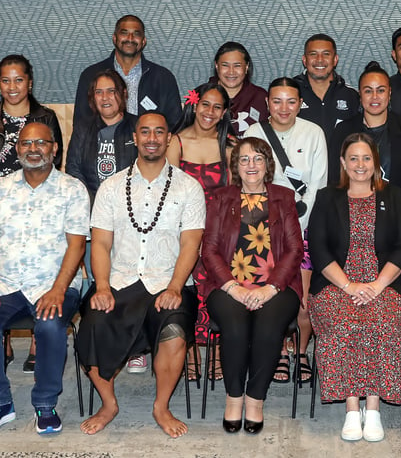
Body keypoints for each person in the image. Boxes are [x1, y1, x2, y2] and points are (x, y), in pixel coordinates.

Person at [76, 112, 205, 438]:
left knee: (175, 328)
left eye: (158, 132)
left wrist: (176, 286)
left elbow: (191, 244)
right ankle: (108, 404)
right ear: (134, 138)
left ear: (168, 139)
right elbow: (101, 244)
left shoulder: (189, 188)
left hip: (169, 281)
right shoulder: (111, 187)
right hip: (119, 281)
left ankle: (161, 406)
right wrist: (101, 287)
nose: (151, 138)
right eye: (144, 132)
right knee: (92, 322)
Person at [308, 133, 401, 442]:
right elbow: (318, 250)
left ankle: (373, 410)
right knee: (344, 323)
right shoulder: (327, 197)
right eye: (353, 158)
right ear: (343, 163)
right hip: (337, 283)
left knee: (384, 322)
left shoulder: (394, 196)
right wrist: (349, 285)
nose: (360, 165)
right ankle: (351, 409)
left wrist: (376, 285)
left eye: (366, 158)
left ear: (376, 162)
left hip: (387, 283)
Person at [201, 137, 303, 434]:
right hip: (228, 285)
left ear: (268, 164)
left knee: (269, 327)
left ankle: (255, 398)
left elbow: (295, 250)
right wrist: (235, 288)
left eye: (258, 158)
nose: (251, 165)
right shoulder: (221, 198)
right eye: (244, 159)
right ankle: (234, 397)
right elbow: (209, 250)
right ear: (236, 166)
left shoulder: (283, 197)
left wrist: (269, 288)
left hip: (277, 286)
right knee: (234, 326)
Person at [0, 122, 89, 434]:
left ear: (54, 148)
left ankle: (45, 403)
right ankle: (1, 400)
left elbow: (77, 245)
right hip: (7, 282)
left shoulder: (72, 189)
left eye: (41, 142)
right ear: (17, 149)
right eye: (26, 143)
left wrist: (58, 289)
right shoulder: (2, 188)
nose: (33, 148)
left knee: (50, 324)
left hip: (55, 282)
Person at [245, 77, 327, 383]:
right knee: (271, 293)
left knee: (305, 297)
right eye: (276, 101)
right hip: (261, 231)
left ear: (300, 104)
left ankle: (302, 351)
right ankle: (279, 350)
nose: (284, 108)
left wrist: (302, 227)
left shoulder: (314, 132)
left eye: (291, 101)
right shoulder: (254, 133)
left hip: (304, 228)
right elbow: (248, 182)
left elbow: (319, 184)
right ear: (267, 103)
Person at [167, 82, 236, 379]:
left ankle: (219, 351)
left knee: (219, 288)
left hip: (220, 231)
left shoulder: (230, 145)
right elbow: (167, 193)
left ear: (223, 113)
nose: (210, 112)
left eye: (217, 107)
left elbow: (235, 194)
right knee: (188, 288)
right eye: (205, 104)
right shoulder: (176, 142)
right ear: (194, 105)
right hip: (184, 229)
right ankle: (191, 350)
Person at [0, 54, 63, 374]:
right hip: (3, 207)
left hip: (41, 206)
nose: (12, 87)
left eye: (18, 80)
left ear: (30, 82)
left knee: (41, 263)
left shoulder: (46, 117)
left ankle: (40, 339)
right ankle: (6, 341)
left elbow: (57, 161)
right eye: (5, 80)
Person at [329, 61, 401, 203]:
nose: (375, 96)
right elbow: (335, 178)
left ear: (390, 92)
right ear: (360, 94)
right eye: (368, 91)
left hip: (397, 211)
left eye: (381, 90)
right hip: (352, 210)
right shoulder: (343, 130)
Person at [74, 15, 181, 129]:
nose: (130, 38)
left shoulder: (164, 78)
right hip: (104, 145)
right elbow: (81, 123)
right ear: (115, 38)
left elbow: (175, 125)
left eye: (136, 34)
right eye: (124, 33)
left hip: (148, 145)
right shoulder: (91, 75)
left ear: (143, 41)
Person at [66, 69, 137, 205]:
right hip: (91, 205)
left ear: (123, 94)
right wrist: (93, 202)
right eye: (98, 92)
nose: (105, 97)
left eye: (111, 91)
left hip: (130, 206)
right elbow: (73, 169)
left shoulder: (138, 126)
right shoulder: (83, 128)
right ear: (92, 97)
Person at [294, 33, 359, 141]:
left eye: (326, 54)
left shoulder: (351, 95)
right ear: (304, 60)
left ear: (335, 60)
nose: (320, 59)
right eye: (313, 54)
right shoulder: (291, 91)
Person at [208, 41, 268, 136]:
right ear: (216, 65)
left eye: (237, 66)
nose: (231, 72)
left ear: (247, 67)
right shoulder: (201, 96)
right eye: (225, 65)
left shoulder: (260, 97)